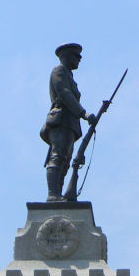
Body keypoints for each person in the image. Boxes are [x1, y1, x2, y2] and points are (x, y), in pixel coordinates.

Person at [40, 43, 97, 202]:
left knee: (65, 161)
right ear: (66, 56)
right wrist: (83, 113)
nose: (79, 59)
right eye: (76, 56)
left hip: (70, 123)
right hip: (61, 121)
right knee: (58, 157)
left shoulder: (69, 76)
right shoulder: (59, 71)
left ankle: (58, 194)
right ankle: (53, 195)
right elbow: (65, 94)